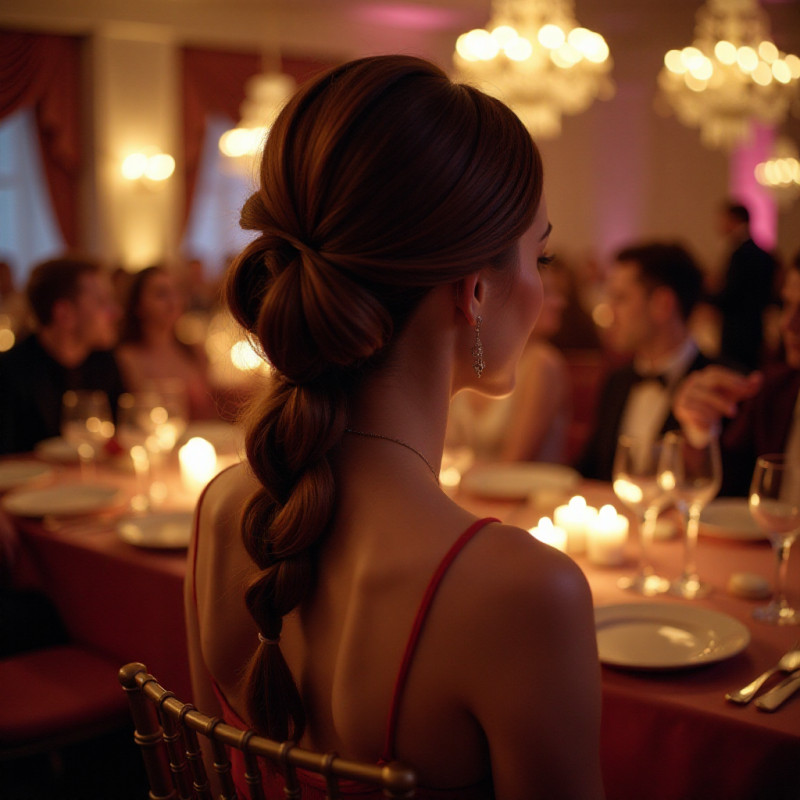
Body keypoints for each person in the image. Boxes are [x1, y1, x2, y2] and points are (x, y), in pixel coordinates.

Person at [185, 55, 603, 800]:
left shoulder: (222, 510)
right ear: (475, 291)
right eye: (537, 254)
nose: (541, 285)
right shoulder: (525, 594)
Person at [577, 241, 710, 481]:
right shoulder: (618, 380)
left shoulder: (717, 387)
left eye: (620, 298)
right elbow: (589, 470)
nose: (609, 311)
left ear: (662, 304)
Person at [674, 250, 800, 496]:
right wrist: (699, 430)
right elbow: (724, 492)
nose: (788, 323)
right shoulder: (774, 390)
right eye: (787, 305)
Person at [445, 261, 571, 462]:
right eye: (547, 292)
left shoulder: (543, 363)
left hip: (528, 491)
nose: (560, 302)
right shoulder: (473, 356)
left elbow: (513, 462)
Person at [0, 256, 125, 454]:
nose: (116, 312)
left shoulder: (104, 361)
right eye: (102, 302)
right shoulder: (9, 374)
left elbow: (121, 439)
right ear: (64, 314)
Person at [115, 265, 218, 420]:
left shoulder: (195, 352)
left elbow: (211, 412)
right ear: (138, 305)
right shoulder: (126, 357)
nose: (173, 301)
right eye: (161, 294)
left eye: (176, 292)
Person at [710, 201, 779, 371]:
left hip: (736, 332)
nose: (719, 225)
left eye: (723, 219)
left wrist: (708, 294)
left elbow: (731, 295)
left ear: (734, 220)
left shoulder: (740, 254)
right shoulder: (765, 254)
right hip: (756, 328)